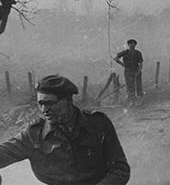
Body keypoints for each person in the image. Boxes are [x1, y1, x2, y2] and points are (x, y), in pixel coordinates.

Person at [0, 75, 130, 185]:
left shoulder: (98, 123)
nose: (44, 110)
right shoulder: (34, 133)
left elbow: (120, 169)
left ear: (68, 101)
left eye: (50, 103)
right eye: (41, 103)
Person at [114, 39, 143, 105]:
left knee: (139, 85)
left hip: (136, 70)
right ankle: (132, 101)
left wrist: (139, 71)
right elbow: (115, 58)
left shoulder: (138, 53)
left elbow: (141, 63)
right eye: (130, 45)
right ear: (128, 45)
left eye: (133, 45)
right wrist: (123, 64)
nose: (132, 46)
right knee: (130, 86)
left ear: (135, 45)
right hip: (128, 71)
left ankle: (139, 101)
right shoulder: (125, 52)